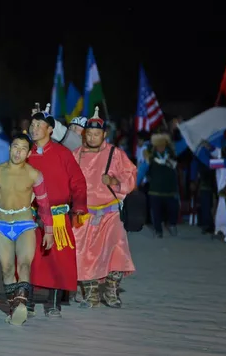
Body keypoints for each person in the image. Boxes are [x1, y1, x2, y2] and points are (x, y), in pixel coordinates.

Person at [0, 131, 54, 325]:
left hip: (25, 223)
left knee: (24, 264)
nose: (18, 152)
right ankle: (13, 308)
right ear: (10, 148)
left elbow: (44, 205)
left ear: (29, 153)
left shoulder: (34, 175)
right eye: (15, 147)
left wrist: (49, 230)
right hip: (2, 225)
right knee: (7, 269)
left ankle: (21, 304)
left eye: (23, 149)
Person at [72, 107, 137, 309]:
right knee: (83, 254)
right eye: (89, 134)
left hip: (109, 213)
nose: (92, 138)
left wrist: (114, 181)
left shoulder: (115, 154)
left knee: (117, 250)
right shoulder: (76, 155)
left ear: (104, 134)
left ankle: (111, 291)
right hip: (84, 214)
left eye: (96, 134)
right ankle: (91, 295)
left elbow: (130, 176)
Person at [27, 104, 87, 317]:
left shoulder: (63, 154)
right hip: (31, 216)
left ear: (50, 129)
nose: (34, 128)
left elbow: (78, 182)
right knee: (29, 259)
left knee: (58, 259)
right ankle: (27, 302)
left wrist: (79, 206)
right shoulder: (25, 153)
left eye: (39, 125)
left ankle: (53, 304)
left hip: (58, 216)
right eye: (32, 124)